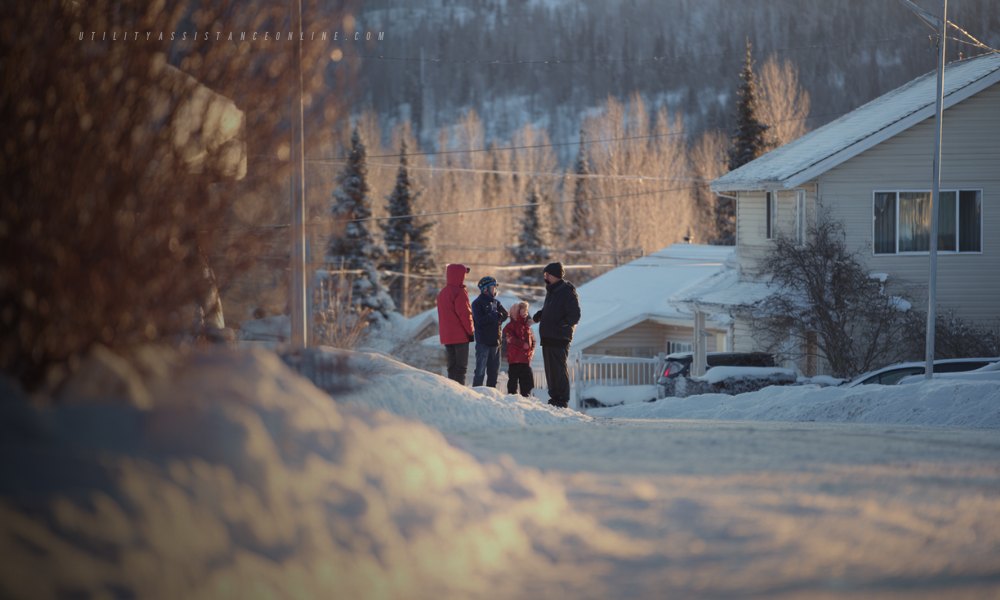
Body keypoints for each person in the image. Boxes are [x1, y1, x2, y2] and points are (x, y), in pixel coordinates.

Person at [532, 262, 581, 408]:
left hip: (559, 338)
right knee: (550, 370)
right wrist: (539, 316)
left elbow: (575, 315)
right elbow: (550, 310)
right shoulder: (552, 291)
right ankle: (554, 398)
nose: (545, 277)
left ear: (555, 275)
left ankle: (562, 399)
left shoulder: (566, 291)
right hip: (548, 337)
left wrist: (561, 325)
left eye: (547, 274)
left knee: (558, 369)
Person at [437, 264, 475, 384]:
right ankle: (459, 391)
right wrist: (470, 332)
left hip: (447, 336)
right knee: (461, 367)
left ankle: (451, 389)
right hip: (460, 335)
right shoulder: (460, 292)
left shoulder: (442, 293)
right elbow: (465, 314)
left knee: (451, 366)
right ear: (460, 275)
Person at [470, 276, 508, 387]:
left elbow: (505, 315)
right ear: (485, 289)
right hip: (483, 343)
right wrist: (494, 315)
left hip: (496, 343)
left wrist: (497, 316)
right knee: (480, 371)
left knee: (493, 372)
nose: (495, 290)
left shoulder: (496, 302)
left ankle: (491, 395)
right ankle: (476, 392)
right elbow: (480, 321)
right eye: (493, 287)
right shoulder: (477, 303)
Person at [502, 301, 535, 397]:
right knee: (513, 382)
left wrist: (531, 351)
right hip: (514, 359)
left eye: (526, 311)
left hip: (525, 360)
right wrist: (522, 344)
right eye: (523, 310)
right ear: (516, 313)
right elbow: (510, 339)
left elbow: (533, 341)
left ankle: (526, 398)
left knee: (527, 383)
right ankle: (512, 399)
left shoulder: (527, 327)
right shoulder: (510, 326)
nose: (526, 313)